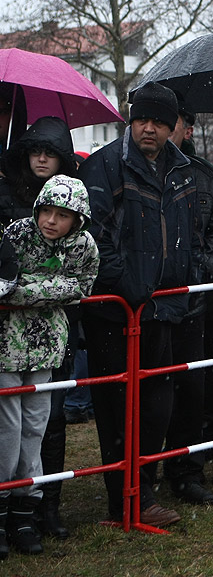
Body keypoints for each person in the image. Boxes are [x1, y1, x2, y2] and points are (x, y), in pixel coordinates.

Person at [80, 81, 203, 527]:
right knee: (116, 407)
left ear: (172, 127)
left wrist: (186, 280)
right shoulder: (104, 166)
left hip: (165, 308)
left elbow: (189, 232)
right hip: (115, 311)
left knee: (157, 405)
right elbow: (94, 237)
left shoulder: (183, 169)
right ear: (130, 121)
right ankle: (124, 499)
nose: (148, 129)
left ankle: (145, 485)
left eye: (158, 122)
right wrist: (130, 287)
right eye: (141, 119)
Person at [0, 175, 98, 557]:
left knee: (35, 427)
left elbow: (83, 284)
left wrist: (36, 289)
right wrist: (51, 288)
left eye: (62, 215)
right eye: (47, 211)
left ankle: (26, 510)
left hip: (46, 348)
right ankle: (4, 507)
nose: (51, 221)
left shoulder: (84, 246)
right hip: (7, 345)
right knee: (7, 428)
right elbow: (6, 282)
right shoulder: (17, 235)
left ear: (78, 219)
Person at [0, 116, 81, 539]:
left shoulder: (77, 204)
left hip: (54, 332)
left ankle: (44, 506)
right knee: (8, 422)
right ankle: (10, 510)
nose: (42, 158)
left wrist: (27, 288)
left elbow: (80, 271)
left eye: (50, 152)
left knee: (48, 420)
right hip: (8, 334)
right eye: (35, 151)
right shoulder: (5, 192)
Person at [163, 103, 213, 506]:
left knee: (192, 392)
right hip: (149, 305)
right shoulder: (125, 171)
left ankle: (186, 471)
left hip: (194, 304)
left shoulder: (205, 177)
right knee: (151, 395)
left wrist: (196, 273)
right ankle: (141, 472)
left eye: (172, 122)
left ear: (187, 129)